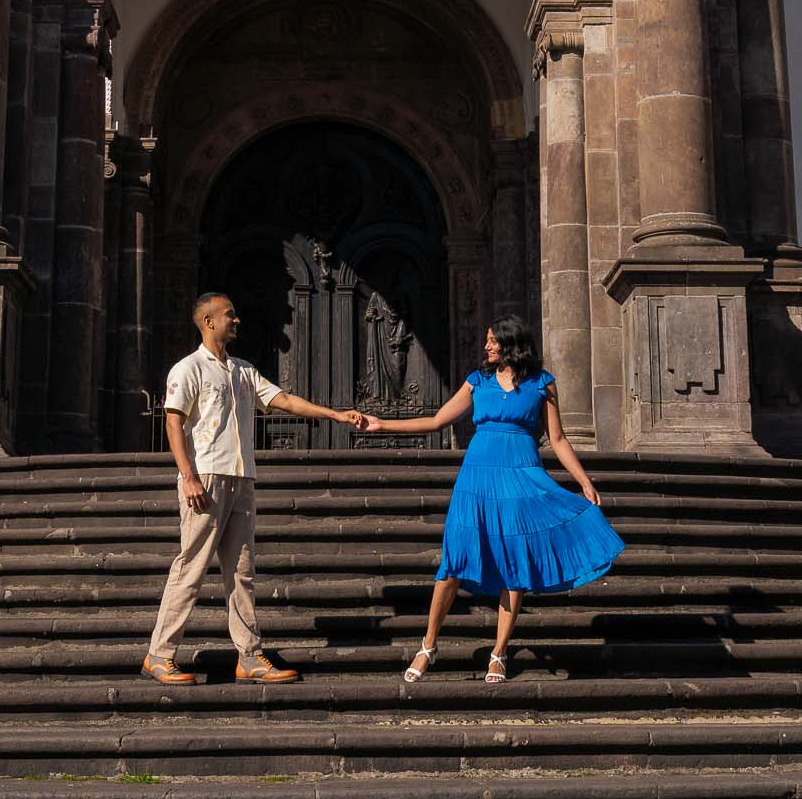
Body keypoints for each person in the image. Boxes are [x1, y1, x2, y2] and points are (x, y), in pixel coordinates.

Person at [357, 314, 622, 683]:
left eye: (492, 340)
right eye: (486, 340)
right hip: (477, 479)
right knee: (454, 561)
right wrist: (382, 424)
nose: (486, 346)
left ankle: (498, 653)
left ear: (511, 343)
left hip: (521, 479)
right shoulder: (477, 381)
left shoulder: (542, 385)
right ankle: (428, 645)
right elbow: (437, 420)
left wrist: (584, 482)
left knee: (514, 568)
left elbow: (557, 439)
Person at [142, 291, 364, 685]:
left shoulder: (242, 371)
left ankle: (248, 655)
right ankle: (159, 654)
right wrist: (189, 476)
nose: (237, 319)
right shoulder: (188, 368)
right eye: (230, 314)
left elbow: (285, 400)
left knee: (242, 571)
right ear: (209, 321)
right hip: (206, 479)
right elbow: (173, 423)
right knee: (191, 567)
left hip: (241, 477)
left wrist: (334, 414)